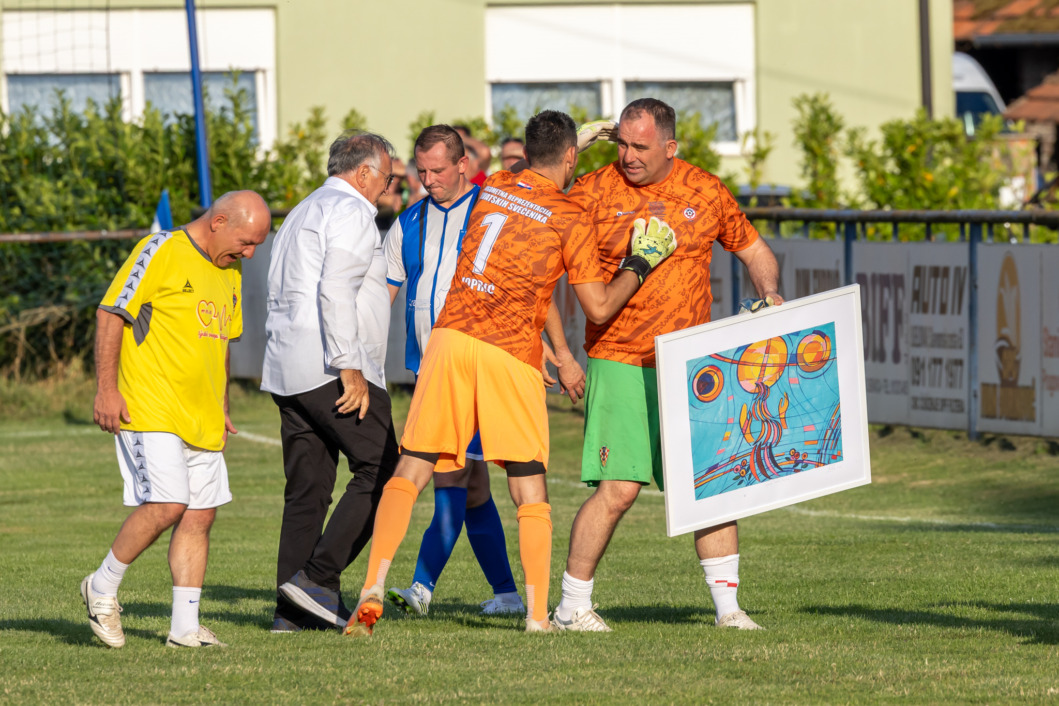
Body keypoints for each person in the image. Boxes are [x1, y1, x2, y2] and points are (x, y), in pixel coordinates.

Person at [344, 110, 676, 636]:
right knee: (528, 488)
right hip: (510, 350)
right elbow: (598, 306)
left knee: (412, 467)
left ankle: (373, 584)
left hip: (450, 338)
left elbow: (535, 170)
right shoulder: (569, 214)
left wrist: (577, 141)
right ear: (572, 157)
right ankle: (538, 616)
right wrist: (640, 262)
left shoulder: (495, 184)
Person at [551, 99, 784, 633]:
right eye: (623, 144)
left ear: (670, 147)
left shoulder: (704, 189)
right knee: (619, 490)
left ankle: (728, 610)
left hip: (691, 363)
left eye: (641, 146)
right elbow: (531, 206)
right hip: (618, 357)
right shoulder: (592, 191)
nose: (628, 156)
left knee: (710, 483)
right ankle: (571, 607)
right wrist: (572, 150)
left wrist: (770, 294)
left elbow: (756, 252)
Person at [83, 190, 271, 648]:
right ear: (219, 221)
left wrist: (222, 404)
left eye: (256, 246)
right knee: (168, 503)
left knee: (199, 516)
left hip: (202, 415)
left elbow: (221, 341)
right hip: (150, 406)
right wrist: (106, 389)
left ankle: (185, 628)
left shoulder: (230, 268)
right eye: (246, 242)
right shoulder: (161, 249)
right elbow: (111, 313)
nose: (249, 254)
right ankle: (101, 587)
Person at [383, 124, 523, 618]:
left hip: (479, 369)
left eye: (438, 170)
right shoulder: (407, 222)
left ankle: (421, 589)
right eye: (421, 171)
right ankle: (507, 595)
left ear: (464, 164)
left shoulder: (491, 213)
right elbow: (385, 294)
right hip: (429, 370)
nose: (428, 180)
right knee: (472, 484)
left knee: (450, 476)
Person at [264, 131, 401, 632]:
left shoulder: (303, 208)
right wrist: (349, 366)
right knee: (386, 471)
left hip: (288, 368)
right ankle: (318, 580)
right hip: (331, 366)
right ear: (363, 173)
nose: (388, 188)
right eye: (387, 178)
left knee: (308, 490)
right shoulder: (351, 211)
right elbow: (335, 289)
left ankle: (292, 614)